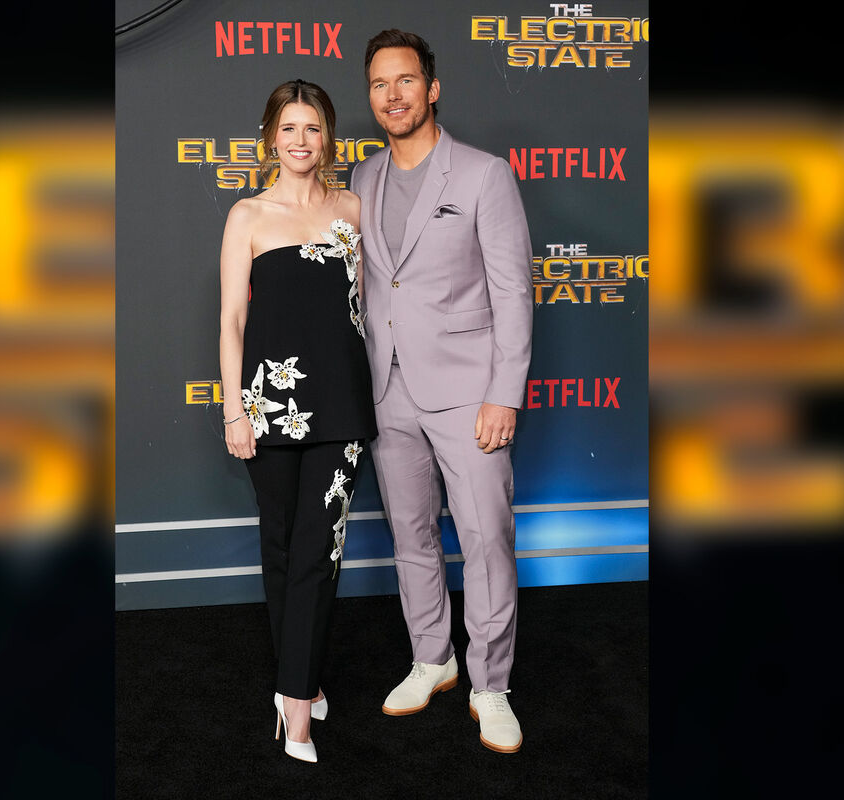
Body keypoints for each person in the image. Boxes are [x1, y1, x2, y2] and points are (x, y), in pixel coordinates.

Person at [350, 30, 533, 754]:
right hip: (386, 388)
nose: (392, 95)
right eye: (379, 84)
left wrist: (505, 392)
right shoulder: (362, 176)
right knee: (411, 534)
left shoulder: (485, 175)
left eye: (405, 81)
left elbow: (513, 291)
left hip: (469, 391)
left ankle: (491, 685)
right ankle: (434, 658)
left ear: (432, 89)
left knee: (486, 539)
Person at [218, 79, 376, 764]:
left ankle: (297, 708)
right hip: (268, 405)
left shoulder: (354, 210)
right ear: (270, 137)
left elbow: (370, 307)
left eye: (313, 128)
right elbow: (232, 319)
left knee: (318, 549)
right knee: (282, 548)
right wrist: (234, 409)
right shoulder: (247, 215)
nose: (301, 141)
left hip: (341, 405)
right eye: (289, 128)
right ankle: (298, 681)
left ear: (328, 137)